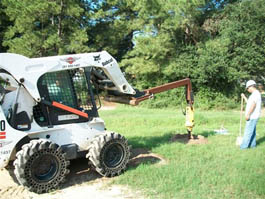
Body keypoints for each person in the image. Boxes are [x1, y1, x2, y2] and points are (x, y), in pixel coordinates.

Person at [240, 80, 261, 149]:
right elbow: (249, 103)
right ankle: (252, 145)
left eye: (247, 88)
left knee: (248, 132)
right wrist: (244, 97)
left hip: (252, 116)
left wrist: (248, 114)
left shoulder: (256, 94)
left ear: (251, 86)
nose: (247, 90)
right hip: (253, 116)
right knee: (252, 132)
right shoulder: (254, 94)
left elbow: (253, 105)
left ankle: (243, 147)